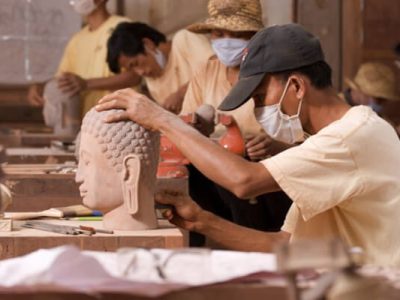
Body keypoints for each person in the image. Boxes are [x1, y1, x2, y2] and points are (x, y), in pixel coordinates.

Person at [96, 24, 400, 267]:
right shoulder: (330, 142)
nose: (257, 111)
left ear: (295, 85)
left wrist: (161, 118)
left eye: (258, 99)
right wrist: (202, 220)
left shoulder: (350, 137)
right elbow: (282, 243)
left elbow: (244, 181)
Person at [180, 0, 292, 245]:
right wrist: (197, 128)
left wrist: (274, 145)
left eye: (237, 34)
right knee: (189, 172)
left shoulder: (275, 76)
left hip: (267, 182)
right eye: (219, 34)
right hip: (215, 175)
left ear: (255, 37)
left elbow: (307, 141)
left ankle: (253, 250)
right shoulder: (206, 72)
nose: (226, 41)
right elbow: (185, 127)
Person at [28, 0, 141, 116]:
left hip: (118, 121)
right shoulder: (77, 40)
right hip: (88, 124)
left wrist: (86, 84)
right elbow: (63, 79)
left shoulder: (123, 28)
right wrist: (42, 87)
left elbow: (136, 76)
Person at [106, 22, 214, 113]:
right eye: (132, 70)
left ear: (148, 44)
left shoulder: (184, 39)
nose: (140, 73)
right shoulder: (152, 81)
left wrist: (180, 94)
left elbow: (215, 67)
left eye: (135, 64)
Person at [343, 62, 400, 134]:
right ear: (361, 91)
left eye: (384, 100)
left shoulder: (377, 115)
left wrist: (396, 132)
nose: (380, 104)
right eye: (379, 99)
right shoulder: (336, 108)